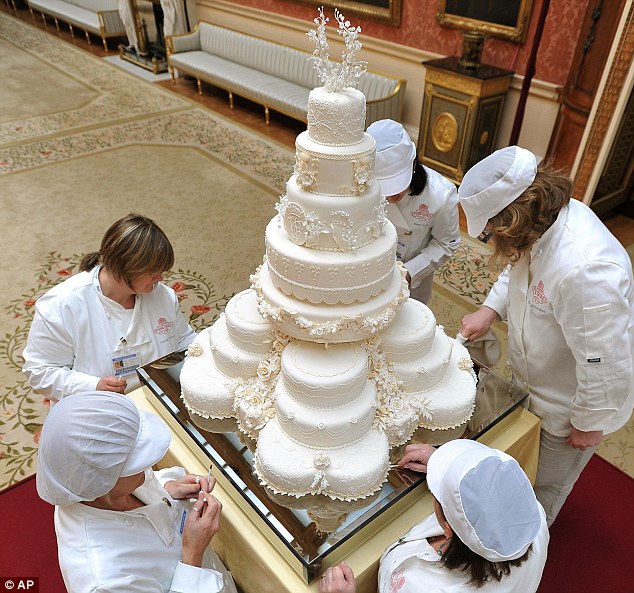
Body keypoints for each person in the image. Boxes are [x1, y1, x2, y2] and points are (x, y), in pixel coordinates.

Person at [457, 146, 634, 526]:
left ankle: (527, 547)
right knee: (519, 463)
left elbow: (604, 360)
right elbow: (515, 266)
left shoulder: (584, 269)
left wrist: (587, 422)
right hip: (534, 382)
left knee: (543, 487)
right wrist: (490, 310)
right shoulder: (538, 228)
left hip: (571, 407)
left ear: (511, 220)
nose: (489, 242)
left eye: (488, 234)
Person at [36, 390, 238, 593]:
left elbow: (143, 479)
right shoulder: (104, 581)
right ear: (101, 479)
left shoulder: (90, 485)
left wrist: (167, 489)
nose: (149, 466)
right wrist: (193, 555)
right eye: (136, 464)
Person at [318, 439, 549, 593]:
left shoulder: (420, 585)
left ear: (447, 526)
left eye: (439, 495)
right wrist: (449, 469)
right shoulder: (534, 519)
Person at [23, 213, 195, 401]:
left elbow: (184, 341)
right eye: (153, 272)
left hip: (161, 397)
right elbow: (39, 372)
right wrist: (93, 386)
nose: (160, 278)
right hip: (96, 406)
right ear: (124, 268)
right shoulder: (60, 307)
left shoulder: (163, 296)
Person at [367, 119, 460, 304]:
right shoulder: (360, 182)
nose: (391, 198)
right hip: (368, 266)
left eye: (397, 188)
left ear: (413, 165)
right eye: (385, 190)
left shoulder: (441, 195)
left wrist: (409, 272)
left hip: (412, 276)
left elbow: (446, 243)